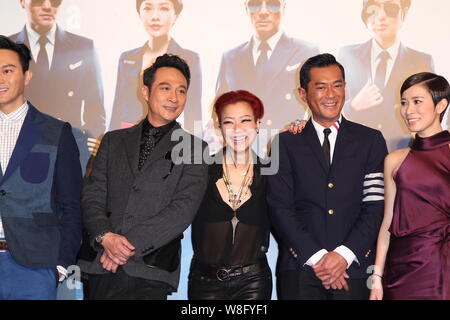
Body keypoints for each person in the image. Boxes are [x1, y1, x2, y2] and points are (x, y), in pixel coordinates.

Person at [79, 54, 208, 300]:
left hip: (151, 269)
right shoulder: (113, 140)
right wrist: (105, 237)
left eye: (181, 91)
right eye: (165, 88)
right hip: (101, 265)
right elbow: (93, 194)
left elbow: (182, 210)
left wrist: (124, 247)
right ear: (146, 92)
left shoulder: (195, 148)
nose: (174, 97)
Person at [267, 53, 388, 300]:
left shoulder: (370, 141)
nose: (331, 95)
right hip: (300, 269)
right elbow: (279, 208)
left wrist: (343, 255)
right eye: (321, 87)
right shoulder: (285, 143)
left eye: (338, 85)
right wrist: (319, 259)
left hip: (353, 270)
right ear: (303, 94)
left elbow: (375, 206)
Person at [0, 35, 82, 300]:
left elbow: (71, 205)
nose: (0, 78)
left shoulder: (56, 132)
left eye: (8, 70)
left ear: (26, 76)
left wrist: (60, 266)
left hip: (33, 267)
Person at [370, 72, 449, 300]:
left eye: (417, 102)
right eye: (404, 103)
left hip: (441, 266)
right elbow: (388, 223)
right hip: (400, 269)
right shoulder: (394, 160)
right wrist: (376, 278)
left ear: (440, 105)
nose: (408, 110)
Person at [188, 90, 272, 300]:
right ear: (219, 126)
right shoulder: (202, 170)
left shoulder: (270, 172)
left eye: (245, 120)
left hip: (253, 282)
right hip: (204, 282)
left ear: (257, 124)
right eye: (228, 122)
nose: (237, 129)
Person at [213, 0, 319, 155]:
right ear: (246, 8)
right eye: (255, 4)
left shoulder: (306, 52)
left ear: (284, 7)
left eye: (272, 3)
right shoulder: (230, 57)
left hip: (290, 151)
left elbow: (319, 106)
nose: (263, 11)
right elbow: (218, 108)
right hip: (243, 156)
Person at [10, 0, 106, 170]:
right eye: (40, 0)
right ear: (22, 2)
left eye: (55, 1)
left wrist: (91, 155)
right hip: (19, 146)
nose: (48, 6)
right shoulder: (7, 49)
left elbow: (95, 110)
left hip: (70, 147)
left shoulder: (83, 47)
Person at [338, 0, 434, 151]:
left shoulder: (421, 61)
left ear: (404, 13)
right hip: (355, 152)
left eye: (390, 8)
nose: (381, 16)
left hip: (403, 153)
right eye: (373, 9)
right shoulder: (347, 55)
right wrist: (353, 106)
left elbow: (430, 113)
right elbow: (330, 108)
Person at [110, 0, 202, 135]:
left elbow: (194, 112)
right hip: (127, 140)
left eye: (163, 9)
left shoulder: (191, 59)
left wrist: (195, 147)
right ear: (139, 13)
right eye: (147, 8)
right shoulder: (127, 58)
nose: (155, 17)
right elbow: (118, 109)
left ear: (176, 14)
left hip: (169, 140)